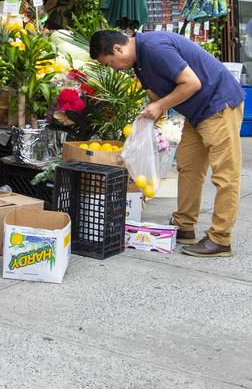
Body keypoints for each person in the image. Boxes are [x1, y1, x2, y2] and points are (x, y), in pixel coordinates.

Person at [90, 29, 244, 258]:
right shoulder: (138, 62)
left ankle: (220, 239)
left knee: (225, 173)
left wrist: (161, 106)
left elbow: (191, 83)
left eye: (110, 63)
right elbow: (156, 97)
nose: (114, 69)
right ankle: (185, 226)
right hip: (196, 113)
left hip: (218, 105)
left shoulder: (154, 47)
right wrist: (148, 120)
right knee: (188, 167)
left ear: (117, 49)